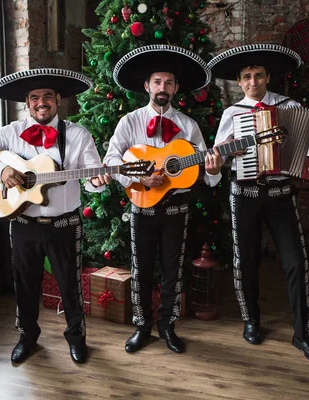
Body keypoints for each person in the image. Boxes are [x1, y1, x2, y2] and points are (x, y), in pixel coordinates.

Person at [0, 68, 111, 364]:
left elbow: (91, 175)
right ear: (27, 103)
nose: (41, 102)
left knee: (70, 285)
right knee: (25, 283)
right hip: (22, 223)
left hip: (65, 224)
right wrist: (1, 170)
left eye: (47, 96)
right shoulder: (10, 133)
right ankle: (27, 337)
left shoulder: (78, 134)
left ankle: (76, 337)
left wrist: (95, 182)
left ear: (58, 100)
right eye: (35, 98)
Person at [207, 44, 309, 365]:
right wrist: (221, 157)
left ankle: (302, 333)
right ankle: (251, 320)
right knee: (246, 260)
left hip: (280, 194)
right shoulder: (232, 114)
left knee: (295, 262)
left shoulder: (290, 107)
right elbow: (218, 157)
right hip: (245, 194)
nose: (253, 81)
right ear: (240, 81)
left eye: (259, 76)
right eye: (247, 77)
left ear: (268, 78)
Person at [104, 45, 222, 354]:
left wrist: (214, 169)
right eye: (157, 81)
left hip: (177, 207)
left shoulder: (189, 126)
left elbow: (205, 169)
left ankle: (167, 326)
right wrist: (139, 179)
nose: (162, 87)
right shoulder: (129, 122)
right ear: (147, 86)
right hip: (142, 204)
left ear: (176, 88)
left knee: (173, 267)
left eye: (168, 82)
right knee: (141, 267)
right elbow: (112, 161)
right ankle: (142, 326)